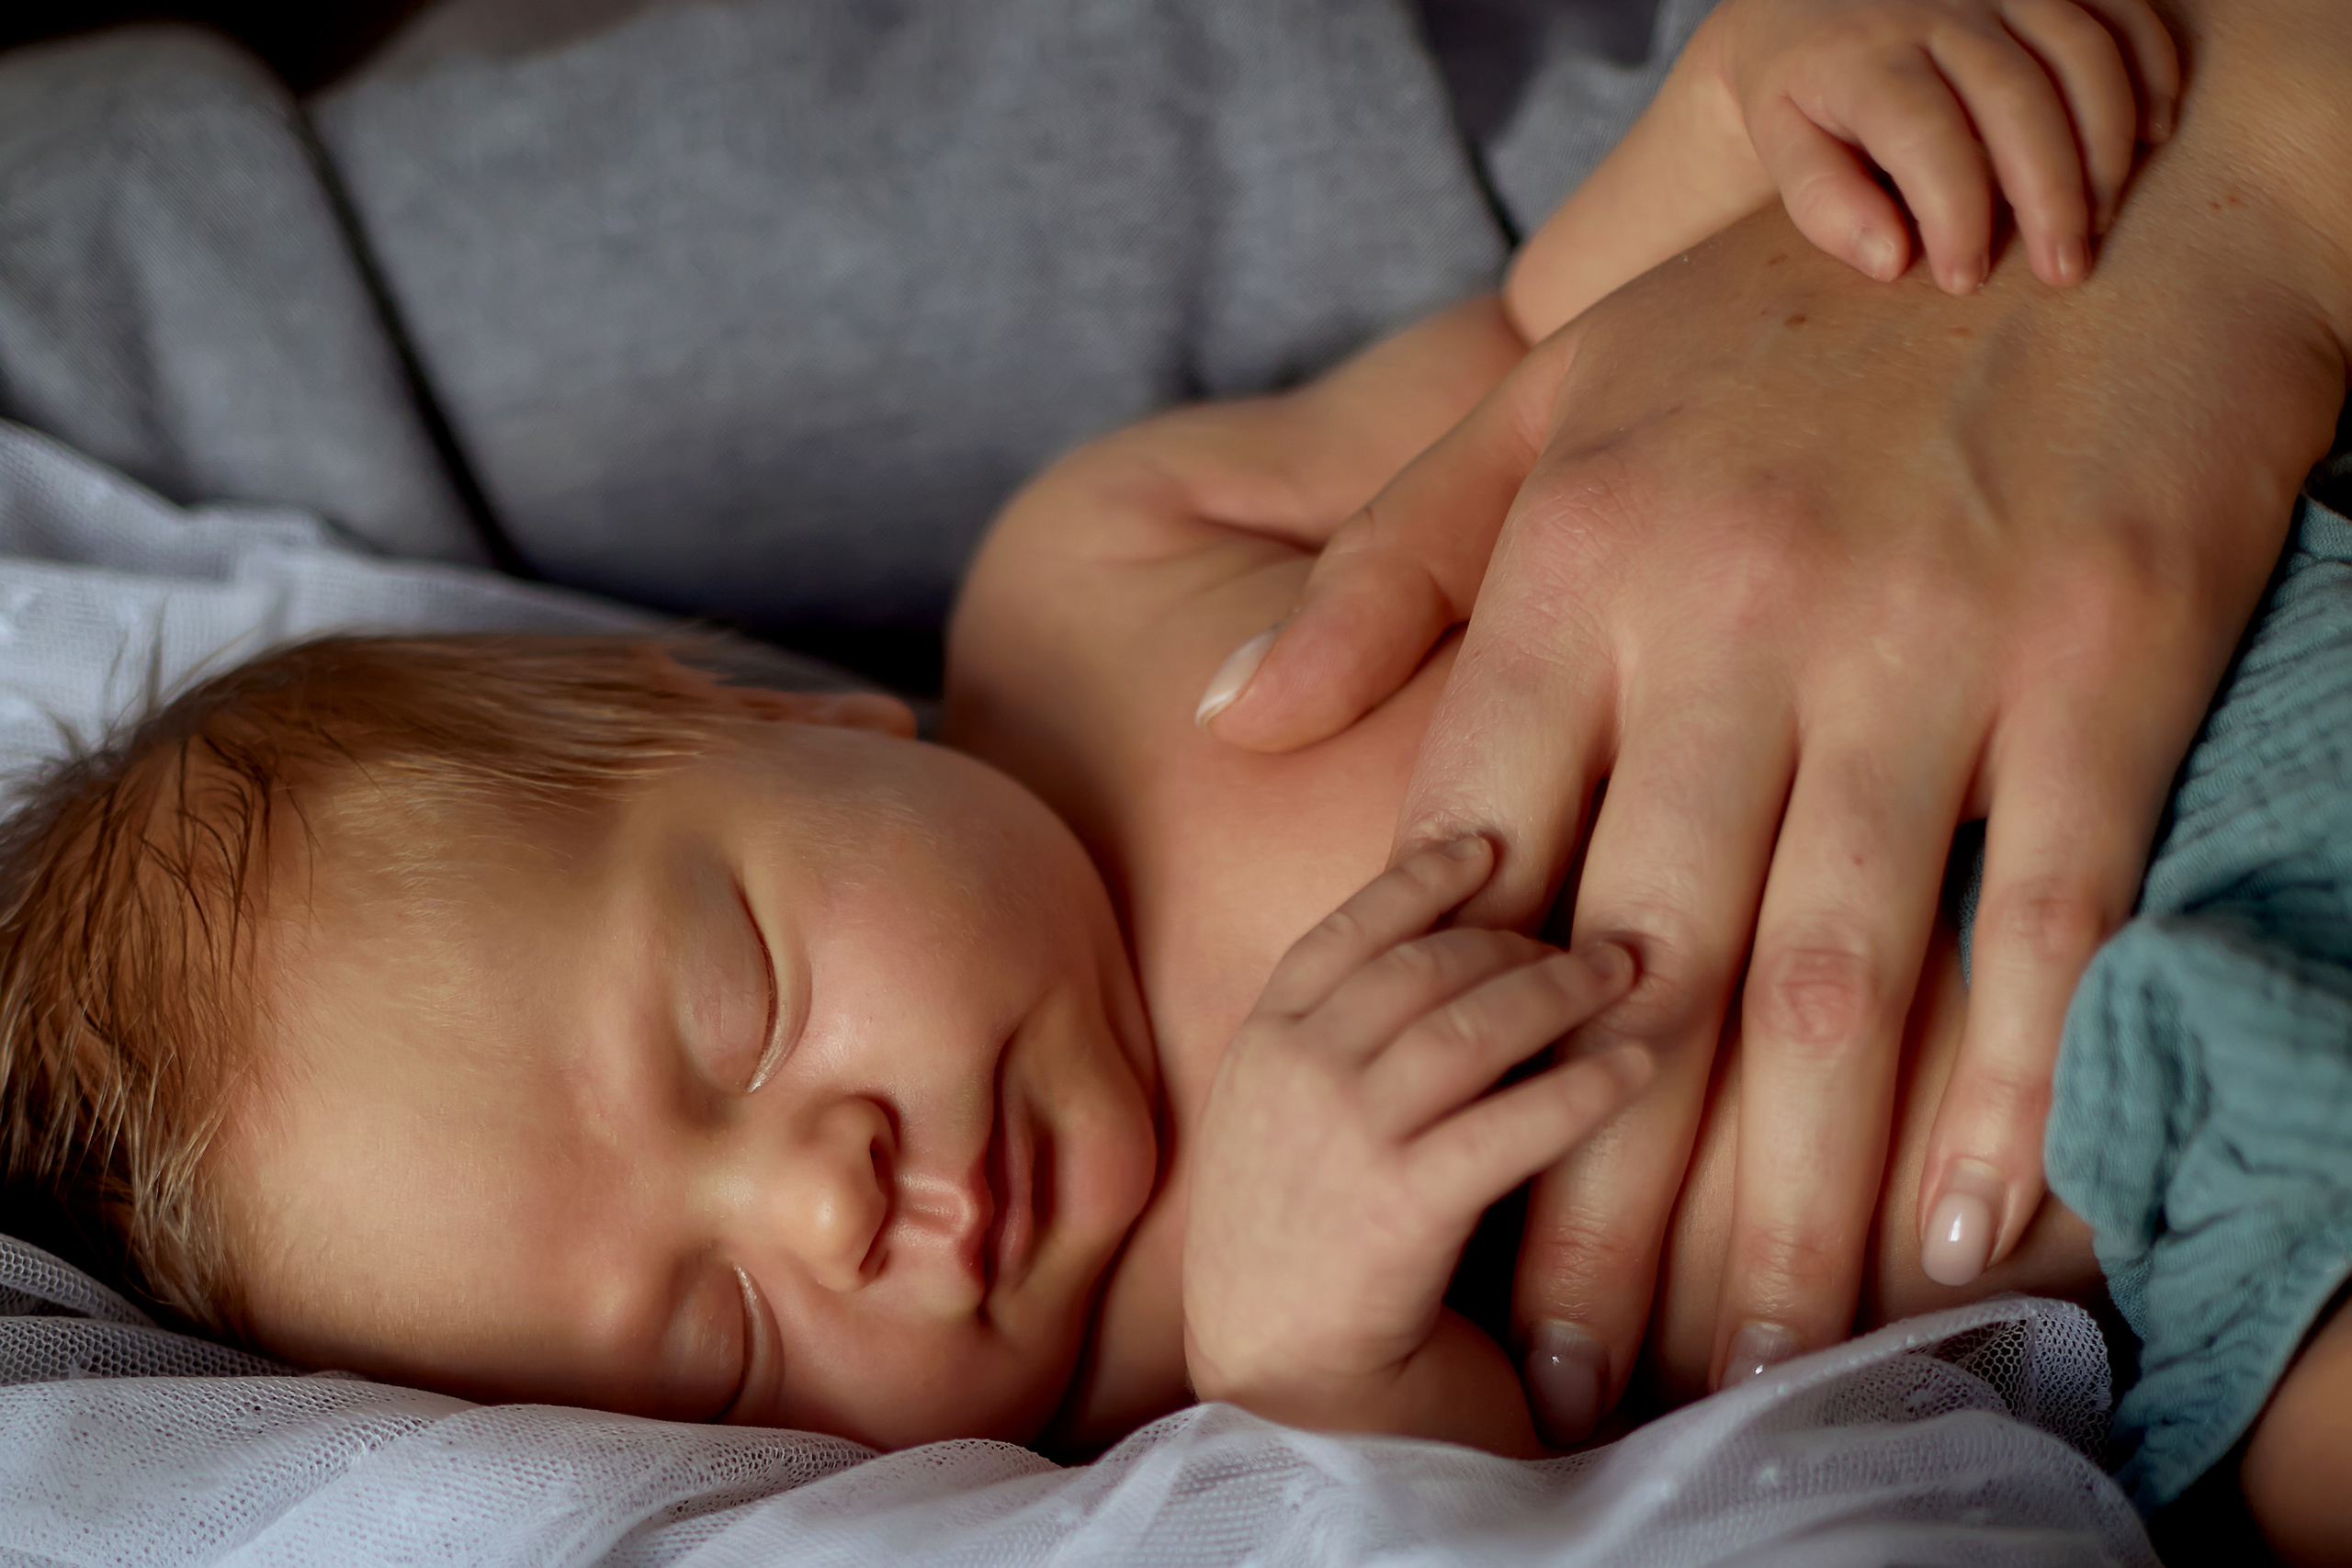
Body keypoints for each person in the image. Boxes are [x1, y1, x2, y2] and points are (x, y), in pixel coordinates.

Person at [1194, 0, 2352, 1457]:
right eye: (794, 1344)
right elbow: (1514, 1491)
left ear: (810, 713)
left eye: (795, 993)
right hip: (2193, 1191)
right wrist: (1302, 1388)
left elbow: (1520, 356)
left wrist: (1736, 99)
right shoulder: (1137, 1356)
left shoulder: (1072, 589)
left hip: (2220, 580)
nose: (829, 1205)